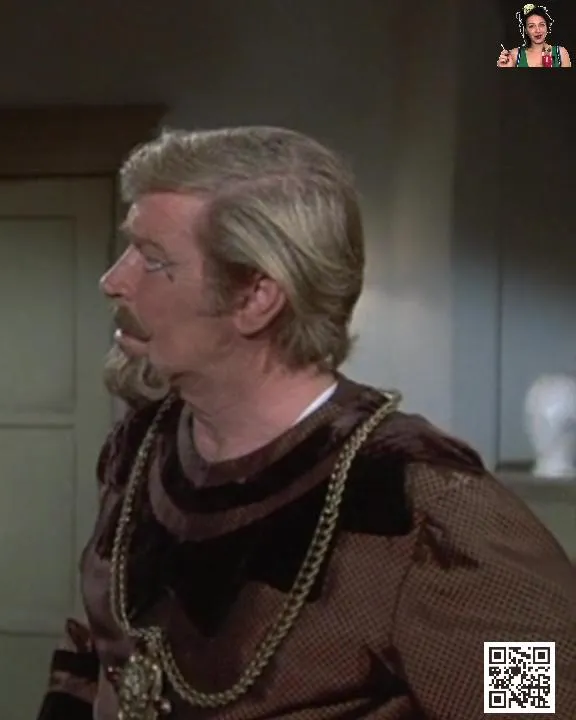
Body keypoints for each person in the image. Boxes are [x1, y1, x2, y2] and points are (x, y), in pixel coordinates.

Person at [36, 126, 576, 718]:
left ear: (255, 298)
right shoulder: (143, 449)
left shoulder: (421, 504)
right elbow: (96, 650)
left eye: (153, 260)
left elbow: (537, 705)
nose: (114, 280)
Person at [497, 3, 571, 67]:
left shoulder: (561, 53)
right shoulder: (514, 55)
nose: (538, 30)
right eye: (531, 26)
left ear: (547, 27)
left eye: (541, 25)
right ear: (526, 30)